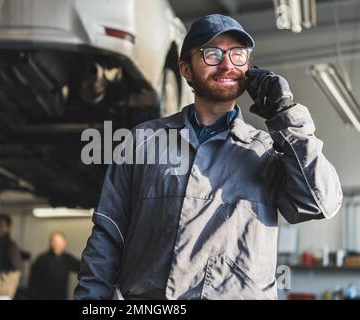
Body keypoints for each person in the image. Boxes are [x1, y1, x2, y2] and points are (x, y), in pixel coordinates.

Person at [74, 14, 343, 300]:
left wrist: (285, 114)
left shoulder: (268, 150)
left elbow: (320, 202)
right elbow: (107, 236)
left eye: (238, 54)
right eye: (212, 54)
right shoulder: (142, 142)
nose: (227, 64)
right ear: (186, 69)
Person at [28, 232, 80, 300]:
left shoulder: (67, 258)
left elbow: (82, 268)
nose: (58, 245)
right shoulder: (42, 259)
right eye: (56, 242)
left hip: (61, 297)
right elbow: (33, 282)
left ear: (64, 243)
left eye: (60, 242)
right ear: (51, 243)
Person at [0, 213, 23, 299]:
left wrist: (6, 280)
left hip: (3, 286)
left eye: (2, 225)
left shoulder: (10, 245)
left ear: (8, 227)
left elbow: (17, 270)